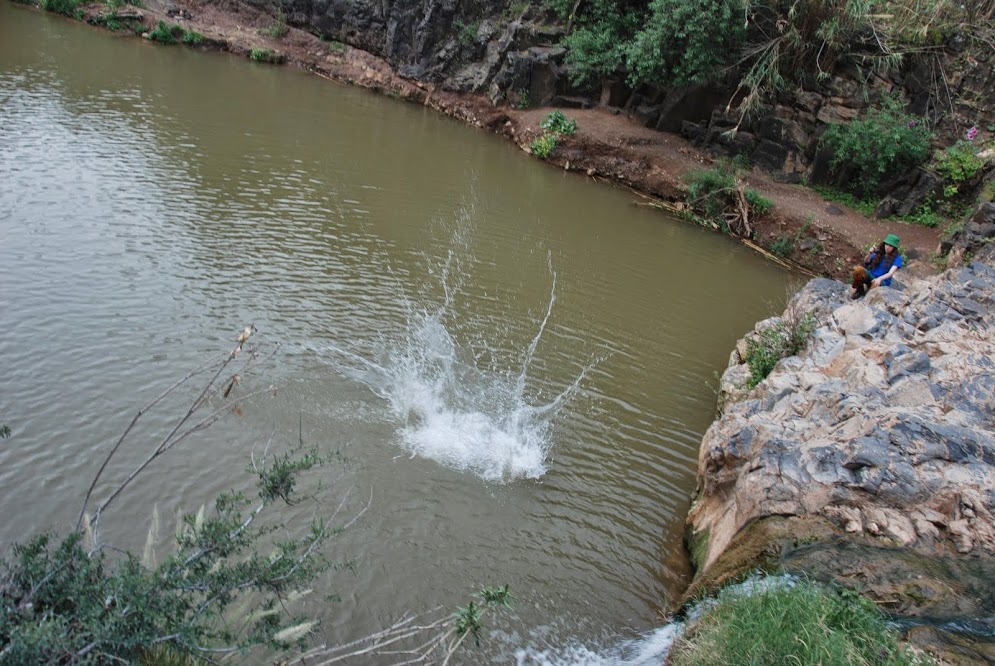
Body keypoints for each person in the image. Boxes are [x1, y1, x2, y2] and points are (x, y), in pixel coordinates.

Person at [852, 233, 902, 299]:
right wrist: (870, 253)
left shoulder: (897, 258)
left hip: (882, 282)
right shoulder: (879, 252)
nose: (887, 247)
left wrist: (880, 279)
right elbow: (866, 262)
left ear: (894, 248)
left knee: (875, 285)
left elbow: (890, 273)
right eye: (886, 244)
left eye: (890, 246)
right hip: (871, 276)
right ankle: (860, 290)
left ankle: (868, 296)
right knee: (858, 269)